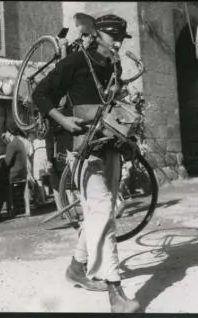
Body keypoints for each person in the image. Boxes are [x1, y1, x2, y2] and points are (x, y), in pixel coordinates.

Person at [32, 13, 139, 313]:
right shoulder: (76, 62)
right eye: (112, 36)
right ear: (97, 35)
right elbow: (40, 93)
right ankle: (114, 289)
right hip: (83, 148)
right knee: (103, 207)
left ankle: (77, 267)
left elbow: (113, 102)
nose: (117, 42)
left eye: (121, 37)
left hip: (111, 145)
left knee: (105, 209)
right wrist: (63, 120)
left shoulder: (114, 66)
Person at [0, 124, 28, 216]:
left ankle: (9, 209)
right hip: (23, 172)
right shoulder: (19, 142)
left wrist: (1, 161)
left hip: (14, 173)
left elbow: (7, 162)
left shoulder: (11, 145)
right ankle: (19, 208)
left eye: (6, 132)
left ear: (9, 133)